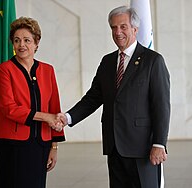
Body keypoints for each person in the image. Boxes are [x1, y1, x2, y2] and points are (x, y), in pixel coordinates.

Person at [56, 6, 170, 188]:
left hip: (143, 149)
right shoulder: (107, 62)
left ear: (135, 29)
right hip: (114, 147)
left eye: (123, 27)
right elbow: (93, 98)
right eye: (114, 28)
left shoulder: (153, 61)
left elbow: (161, 106)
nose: (118, 32)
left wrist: (159, 143)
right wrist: (68, 117)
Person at [0, 17, 65, 188]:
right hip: (12, 144)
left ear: (36, 43)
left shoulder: (48, 70)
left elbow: (54, 107)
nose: (21, 45)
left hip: (40, 144)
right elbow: (8, 108)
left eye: (27, 40)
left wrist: (54, 147)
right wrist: (45, 117)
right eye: (17, 40)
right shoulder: (4, 70)